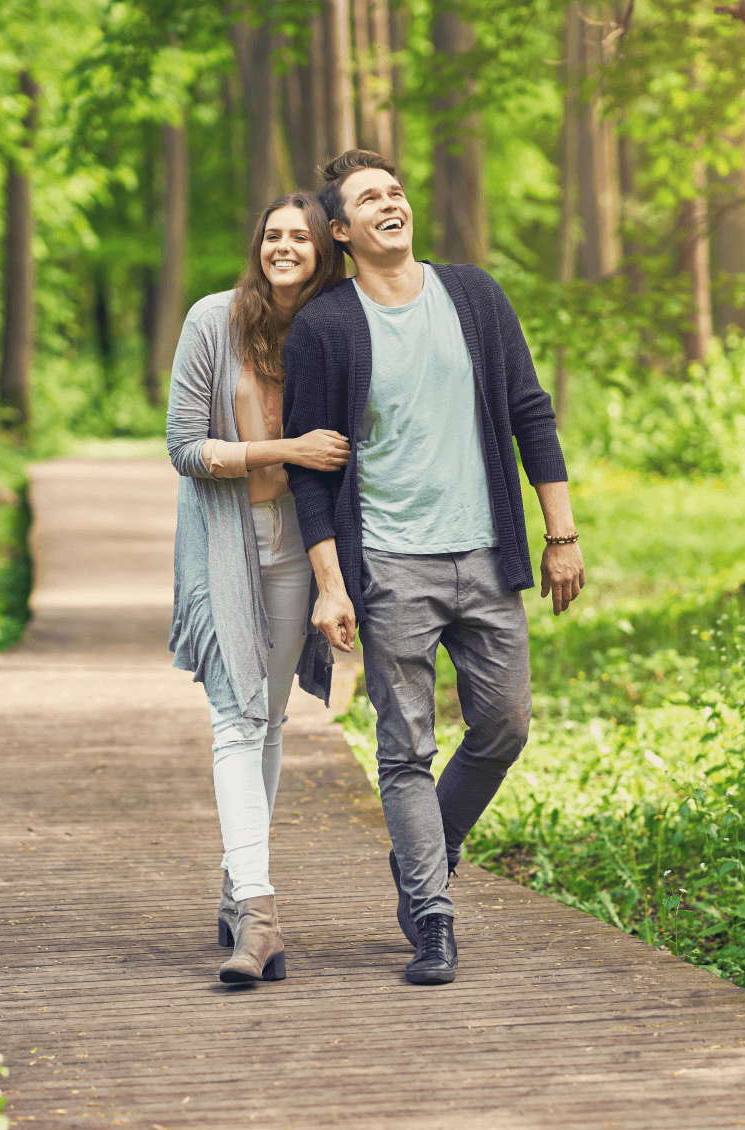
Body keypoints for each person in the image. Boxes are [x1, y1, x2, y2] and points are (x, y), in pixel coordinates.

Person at [283, 150, 586, 986]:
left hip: (486, 553)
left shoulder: (476, 296)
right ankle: (432, 917)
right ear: (340, 231)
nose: (391, 203)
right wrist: (332, 582)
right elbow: (314, 471)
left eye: (397, 191)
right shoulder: (327, 327)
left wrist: (560, 533)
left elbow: (530, 410)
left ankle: (425, 855)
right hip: (389, 565)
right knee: (405, 747)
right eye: (368, 199)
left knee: (504, 726)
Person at [166, 192, 351, 985]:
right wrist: (289, 448)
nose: (283, 247)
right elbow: (183, 446)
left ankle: (238, 884)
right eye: (271, 234)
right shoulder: (214, 321)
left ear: (320, 252)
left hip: (298, 546)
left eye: (298, 237)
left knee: (268, 719)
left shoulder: (334, 327)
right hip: (224, 544)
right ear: (258, 245)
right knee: (235, 721)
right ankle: (262, 912)